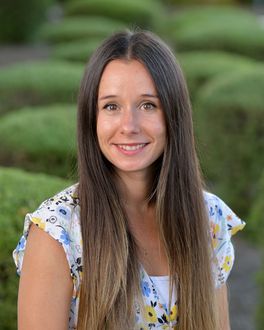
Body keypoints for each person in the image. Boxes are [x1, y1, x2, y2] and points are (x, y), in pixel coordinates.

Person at [13, 30, 246, 330]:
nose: (128, 126)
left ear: (172, 114)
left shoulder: (207, 217)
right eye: (111, 106)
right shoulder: (58, 234)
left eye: (148, 105)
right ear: (91, 118)